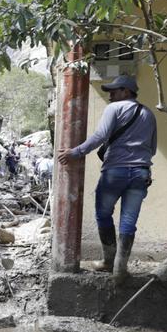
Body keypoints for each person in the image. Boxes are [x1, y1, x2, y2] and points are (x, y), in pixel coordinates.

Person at [58, 74, 157, 283]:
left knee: (103, 214)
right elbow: (153, 148)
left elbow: (100, 136)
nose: (110, 94)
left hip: (115, 171)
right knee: (129, 222)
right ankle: (121, 270)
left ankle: (108, 262)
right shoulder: (149, 114)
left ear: (126, 92)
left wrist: (74, 152)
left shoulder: (114, 109)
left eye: (115, 90)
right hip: (141, 173)